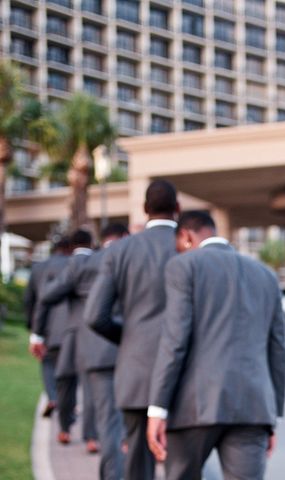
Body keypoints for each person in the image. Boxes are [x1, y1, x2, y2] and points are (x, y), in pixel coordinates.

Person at [146, 210, 285, 480]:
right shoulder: (266, 276)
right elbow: (278, 350)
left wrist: (157, 408)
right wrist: (273, 418)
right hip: (253, 410)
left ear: (186, 236)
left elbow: (175, 340)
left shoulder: (183, 266)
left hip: (192, 406)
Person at [85, 179, 180, 480]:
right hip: (186, 370)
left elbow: (94, 316)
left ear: (144, 209)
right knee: (184, 461)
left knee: (137, 461)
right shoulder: (190, 246)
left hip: (136, 369)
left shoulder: (120, 251)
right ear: (178, 209)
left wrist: (127, 338)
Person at [76, 223, 130, 480]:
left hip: (98, 349)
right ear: (124, 236)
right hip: (134, 351)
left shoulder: (87, 262)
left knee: (109, 422)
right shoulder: (134, 255)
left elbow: (93, 315)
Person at [38, 230, 99, 452]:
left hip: (67, 334)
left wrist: (37, 333)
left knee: (64, 382)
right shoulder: (101, 262)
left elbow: (47, 297)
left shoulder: (72, 265)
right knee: (91, 387)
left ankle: (65, 429)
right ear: (91, 244)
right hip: (94, 335)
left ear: (71, 247)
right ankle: (92, 437)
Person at [26, 237, 71, 418]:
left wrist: (34, 331)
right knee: (69, 372)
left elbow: (30, 300)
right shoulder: (74, 264)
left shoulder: (38, 268)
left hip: (44, 325)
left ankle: (53, 397)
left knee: (47, 363)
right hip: (70, 327)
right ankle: (66, 407)